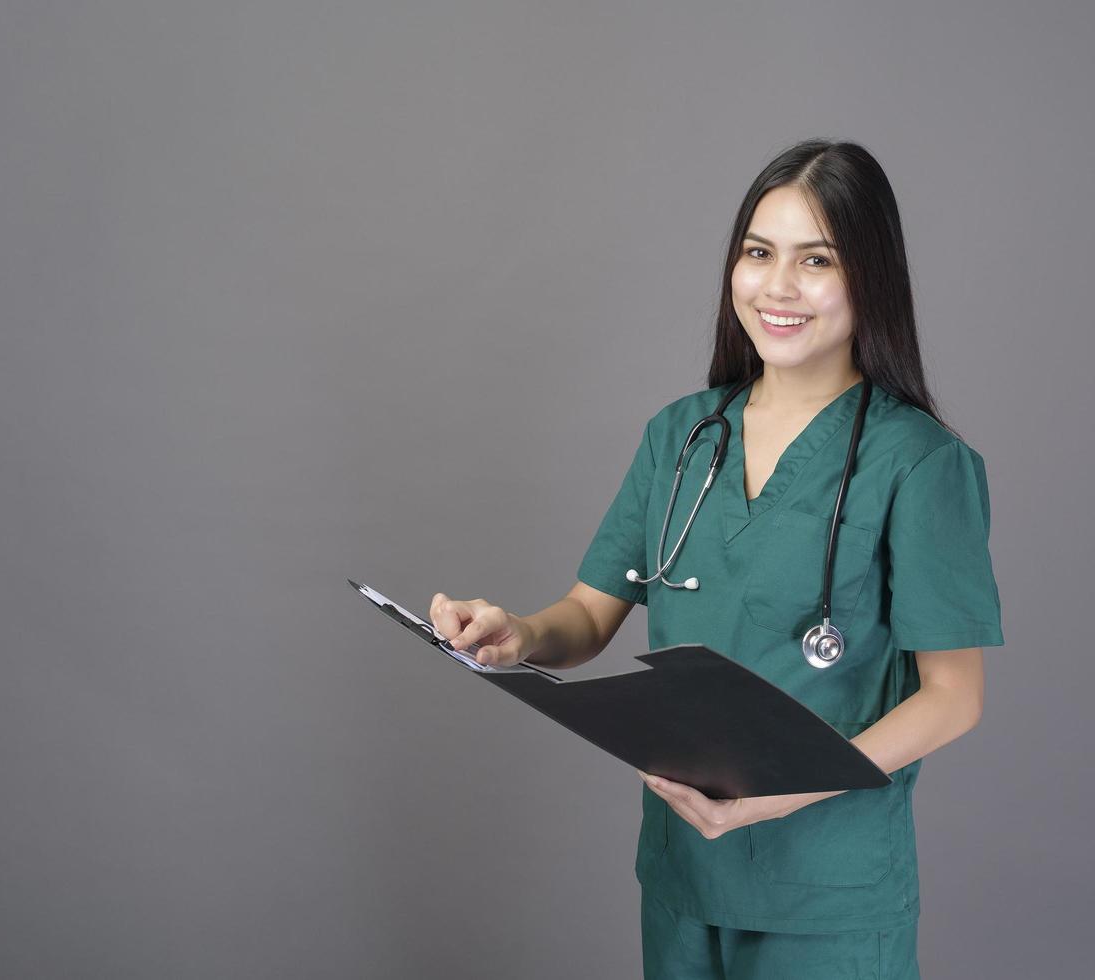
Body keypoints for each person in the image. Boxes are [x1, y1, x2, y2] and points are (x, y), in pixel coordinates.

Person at [428, 139, 1003, 979]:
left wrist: (788, 793)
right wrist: (512, 634)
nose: (778, 287)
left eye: (817, 260)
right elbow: (589, 616)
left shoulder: (918, 462)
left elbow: (954, 697)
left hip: (827, 890)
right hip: (682, 871)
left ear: (870, 278)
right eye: (759, 253)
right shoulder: (683, 436)